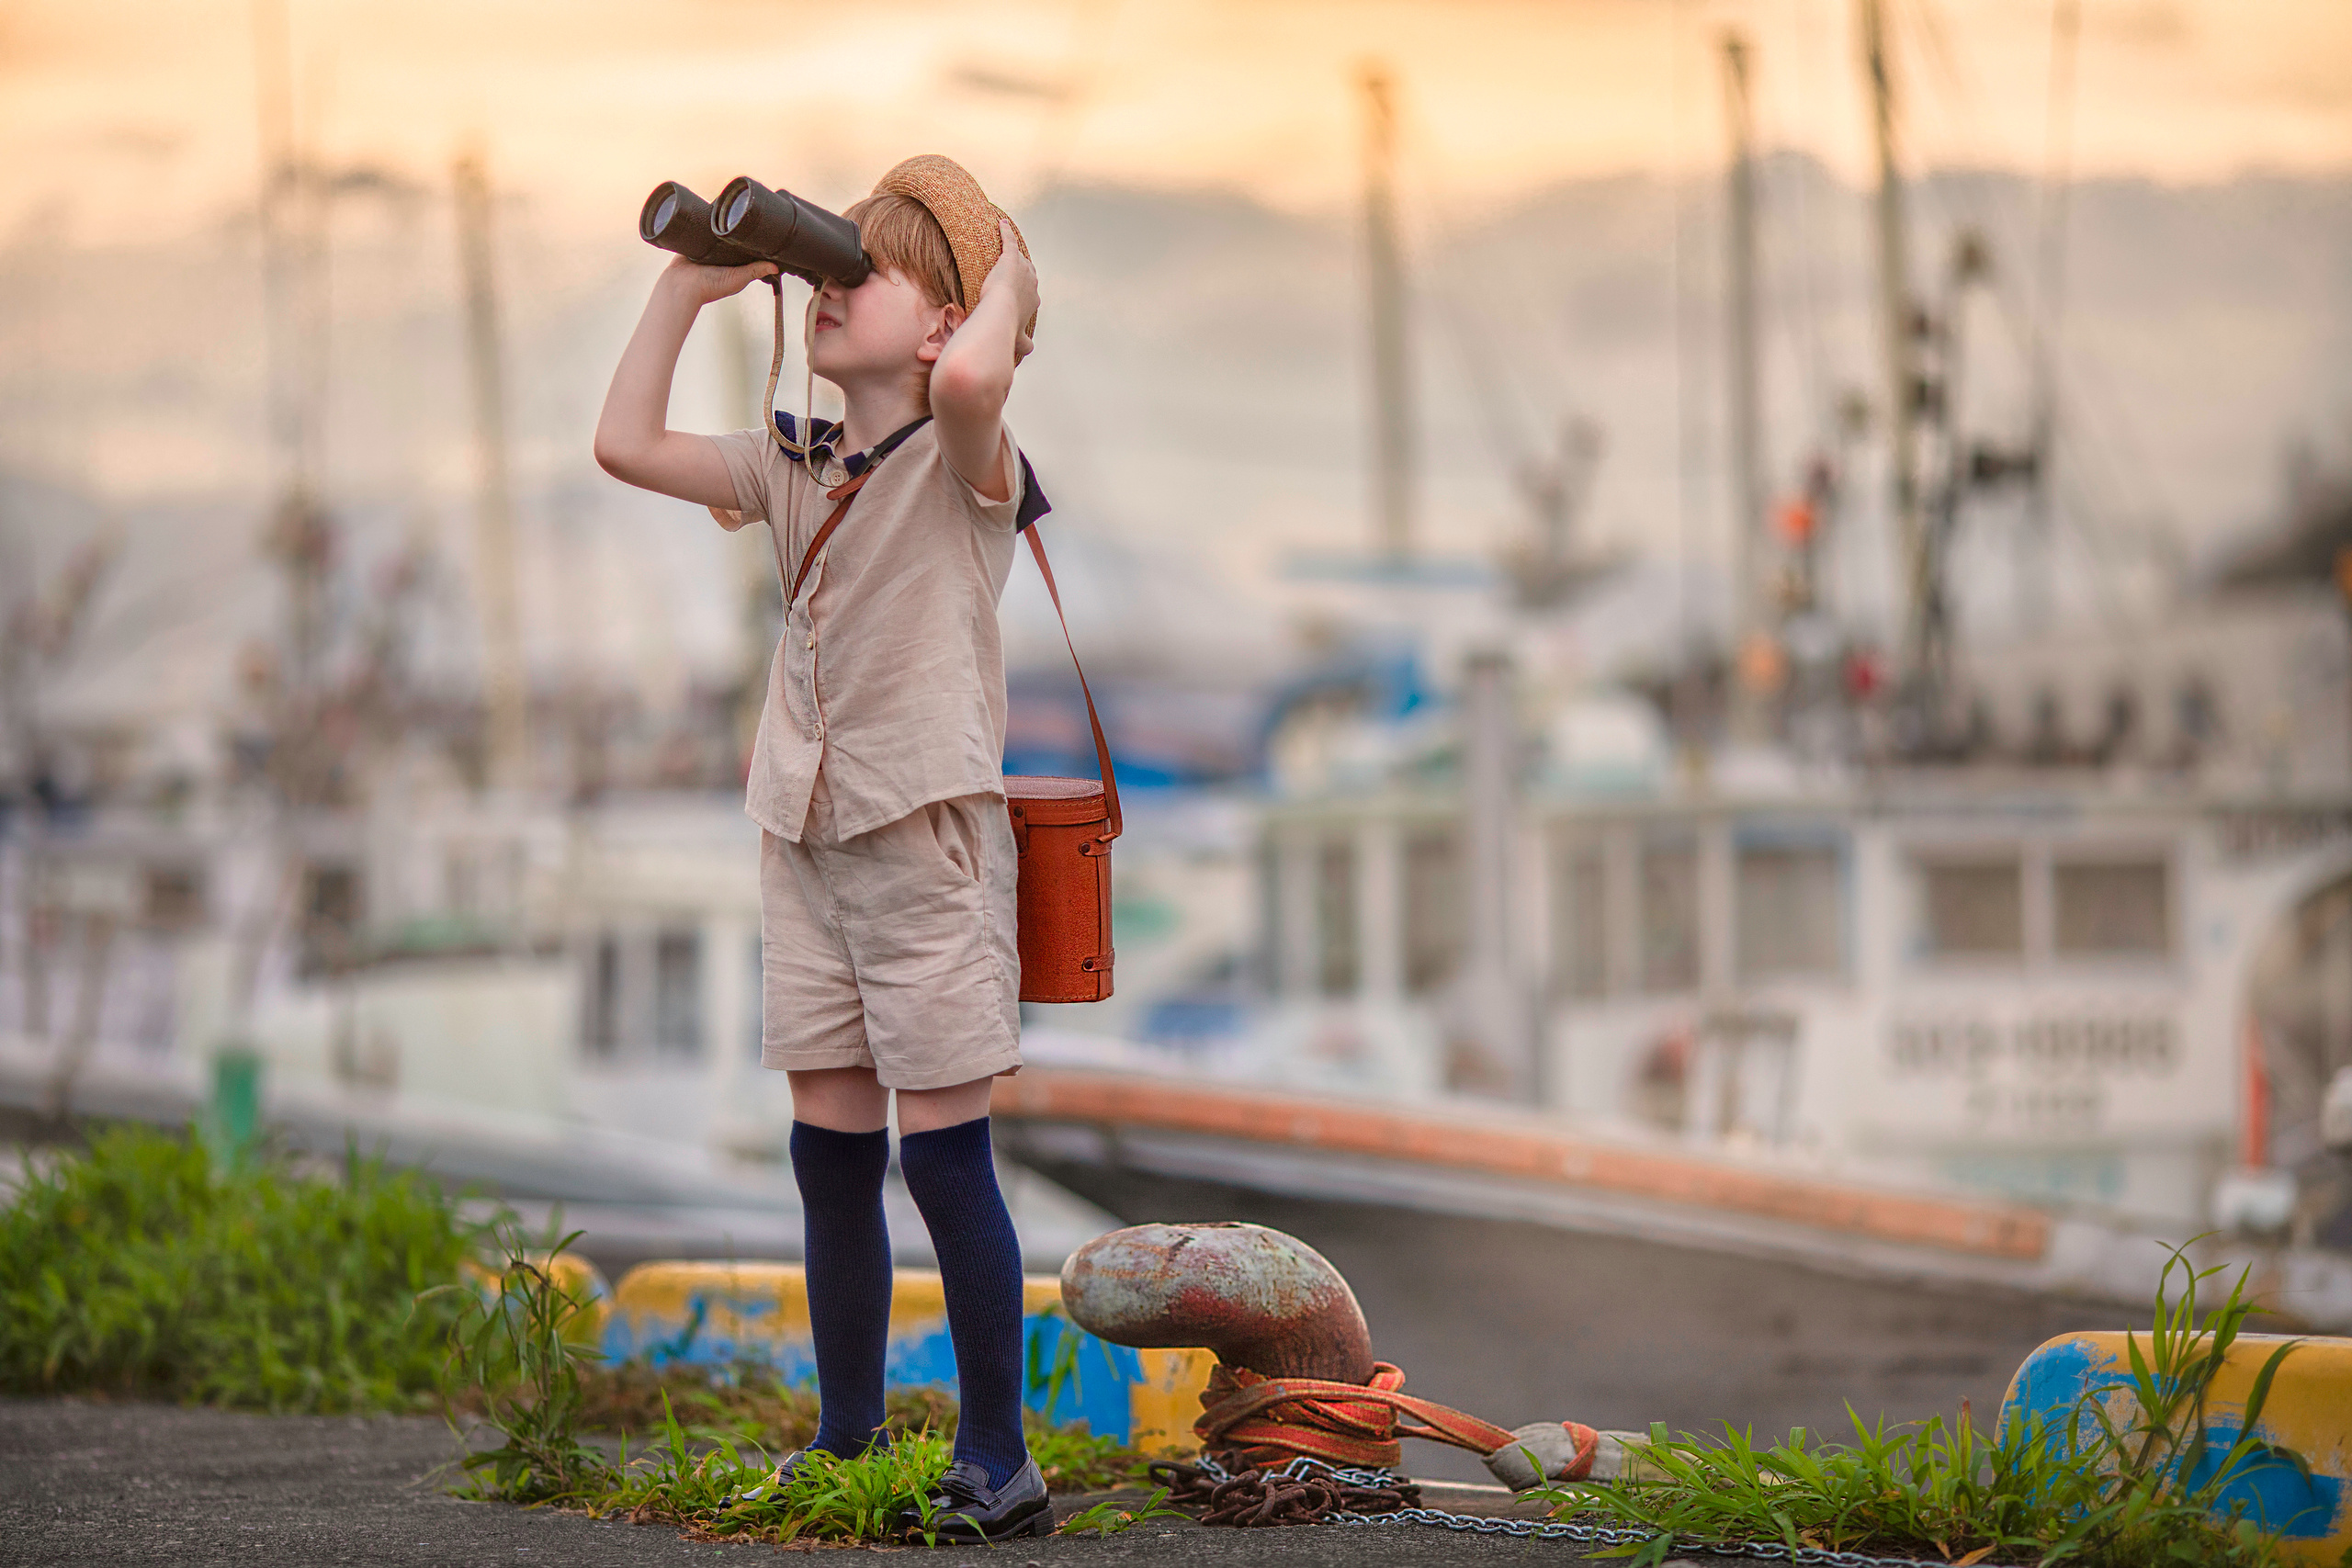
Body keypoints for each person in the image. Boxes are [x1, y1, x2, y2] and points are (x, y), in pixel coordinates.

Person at [593, 154, 1051, 1543]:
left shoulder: (970, 466)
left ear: (946, 328)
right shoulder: (796, 465)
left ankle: (998, 1459)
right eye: (828, 268)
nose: (833, 285)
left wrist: (1010, 280)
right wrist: (692, 281)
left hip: (923, 848)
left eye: (874, 273)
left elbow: (973, 383)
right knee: (829, 1155)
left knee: (946, 1160)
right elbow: (624, 443)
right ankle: (848, 1436)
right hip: (804, 841)